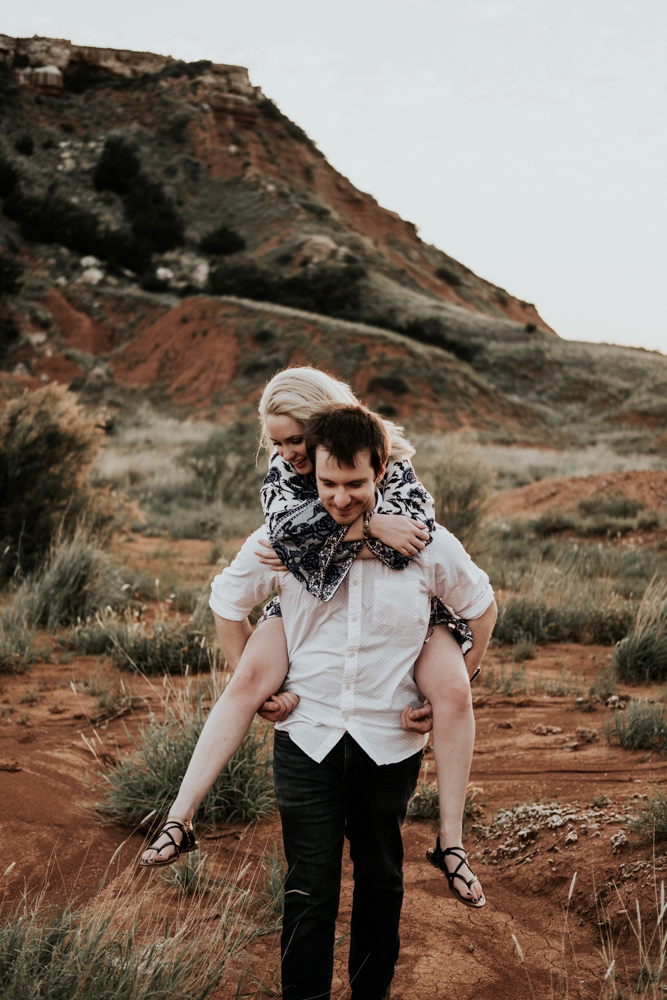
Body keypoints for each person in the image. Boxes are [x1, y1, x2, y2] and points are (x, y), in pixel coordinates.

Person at [140, 369, 485, 907]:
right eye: (275, 441)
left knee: (454, 691)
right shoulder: (284, 469)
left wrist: (322, 541)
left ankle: (452, 841)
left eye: (296, 440)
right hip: (305, 591)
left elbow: (415, 538)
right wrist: (369, 531)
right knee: (250, 677)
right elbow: (284, 535)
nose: (287, 453)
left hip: (410, 604)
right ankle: (179, 817)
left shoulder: (386, 456)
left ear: (325, 424)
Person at [212, 406, 494, 1000]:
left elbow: (481, 605)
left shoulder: (426, 541)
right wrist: (255, 681)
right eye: (328, 483)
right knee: (308, 890)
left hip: (389, 741)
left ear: (381, 471)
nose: (341, 497)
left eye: (355, 484)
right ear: (310, 475)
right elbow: (227, 597)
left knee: (382, 884)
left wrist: (453, 686)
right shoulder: (285, 540)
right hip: (307, 735)